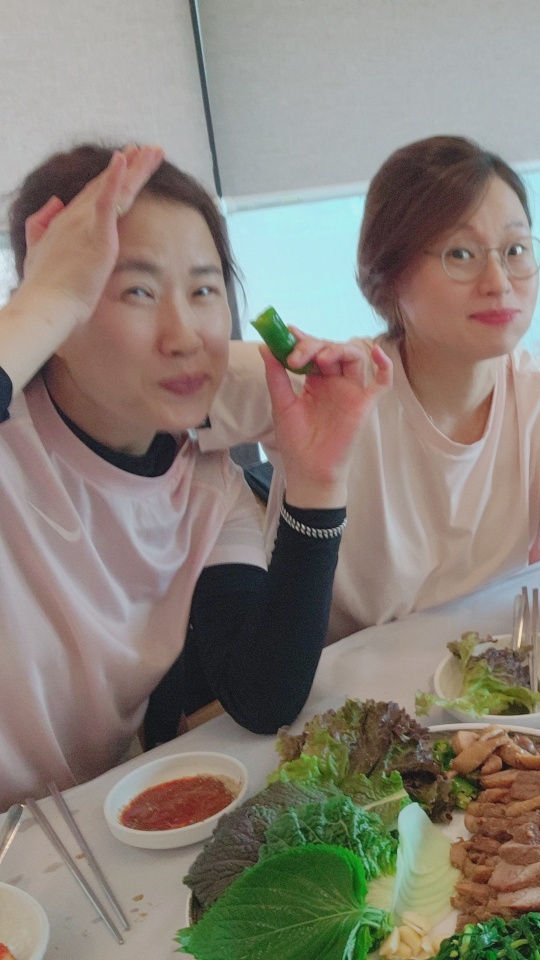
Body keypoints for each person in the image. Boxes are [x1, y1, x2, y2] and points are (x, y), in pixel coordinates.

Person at [0, 144, 391, 807]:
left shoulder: (204, 483)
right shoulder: (14, 445)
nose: (185, 336)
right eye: (137, 291)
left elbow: (264, 697)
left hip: (81, 830)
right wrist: (48, 297)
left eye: (205, 289)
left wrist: (318, 486)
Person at [201, 136, 540, 642]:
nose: (498, 280)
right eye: (460, 253)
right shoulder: (328, 390)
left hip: (486, 675)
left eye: (515, 250)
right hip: (344, 679)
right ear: (390, 276)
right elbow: (154, 387)